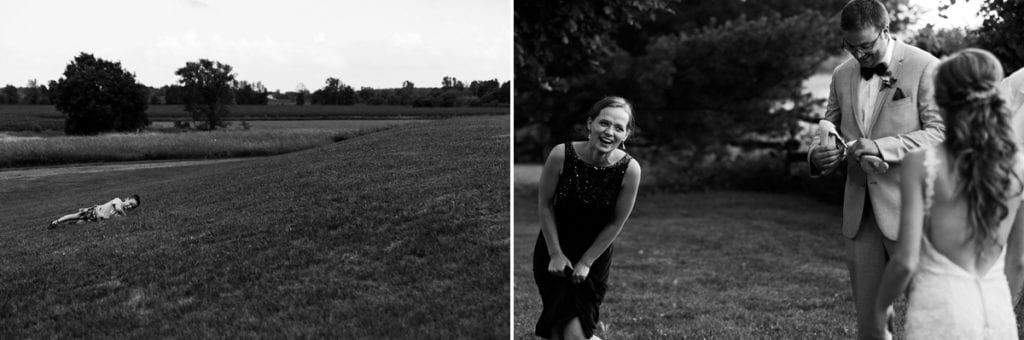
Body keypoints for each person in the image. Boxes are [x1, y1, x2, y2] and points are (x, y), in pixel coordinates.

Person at [806, 1, 944, 338]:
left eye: (866, 46)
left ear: (886, 30)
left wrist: (883, 146)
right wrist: (816, 155)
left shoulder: (926, 67)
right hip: (860, 212)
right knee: (870, 321)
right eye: (850, 46)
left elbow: (941, 133)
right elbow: (829, 125)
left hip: (913, 211)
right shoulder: (841, 74)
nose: (858, 54)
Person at [873, 48, 1024, 339]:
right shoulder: (1017, 166)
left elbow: (905, 260)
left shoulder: (923, 162)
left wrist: (880, 309)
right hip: (997, 314)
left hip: (940, 311)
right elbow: (1018, 262)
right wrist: (1002, 305)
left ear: (941, 100)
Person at [532, 96, 641, 340]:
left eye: (618, 127)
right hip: (553, 250)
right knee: (556, 331)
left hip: (594, 257)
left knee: (573, 334)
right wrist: (555, 253)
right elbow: (545, 204)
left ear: (626, 134)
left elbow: (616, 222)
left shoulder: (630, 169)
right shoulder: (562, 154)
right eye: (604, 123)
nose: (609, 132)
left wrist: (587, 262)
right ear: (590, 123)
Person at [49, 194, 141, 229]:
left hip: (95, 220)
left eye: (132, 207)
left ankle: (67, 226)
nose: (129, 206)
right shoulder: (118, 201)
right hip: (93, 211)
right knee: (75, 215)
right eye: (131, 203)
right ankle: (56, 222)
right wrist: (126, 217)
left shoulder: (120, 215)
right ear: (127, 199)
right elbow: (118, 209)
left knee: (78, 225)